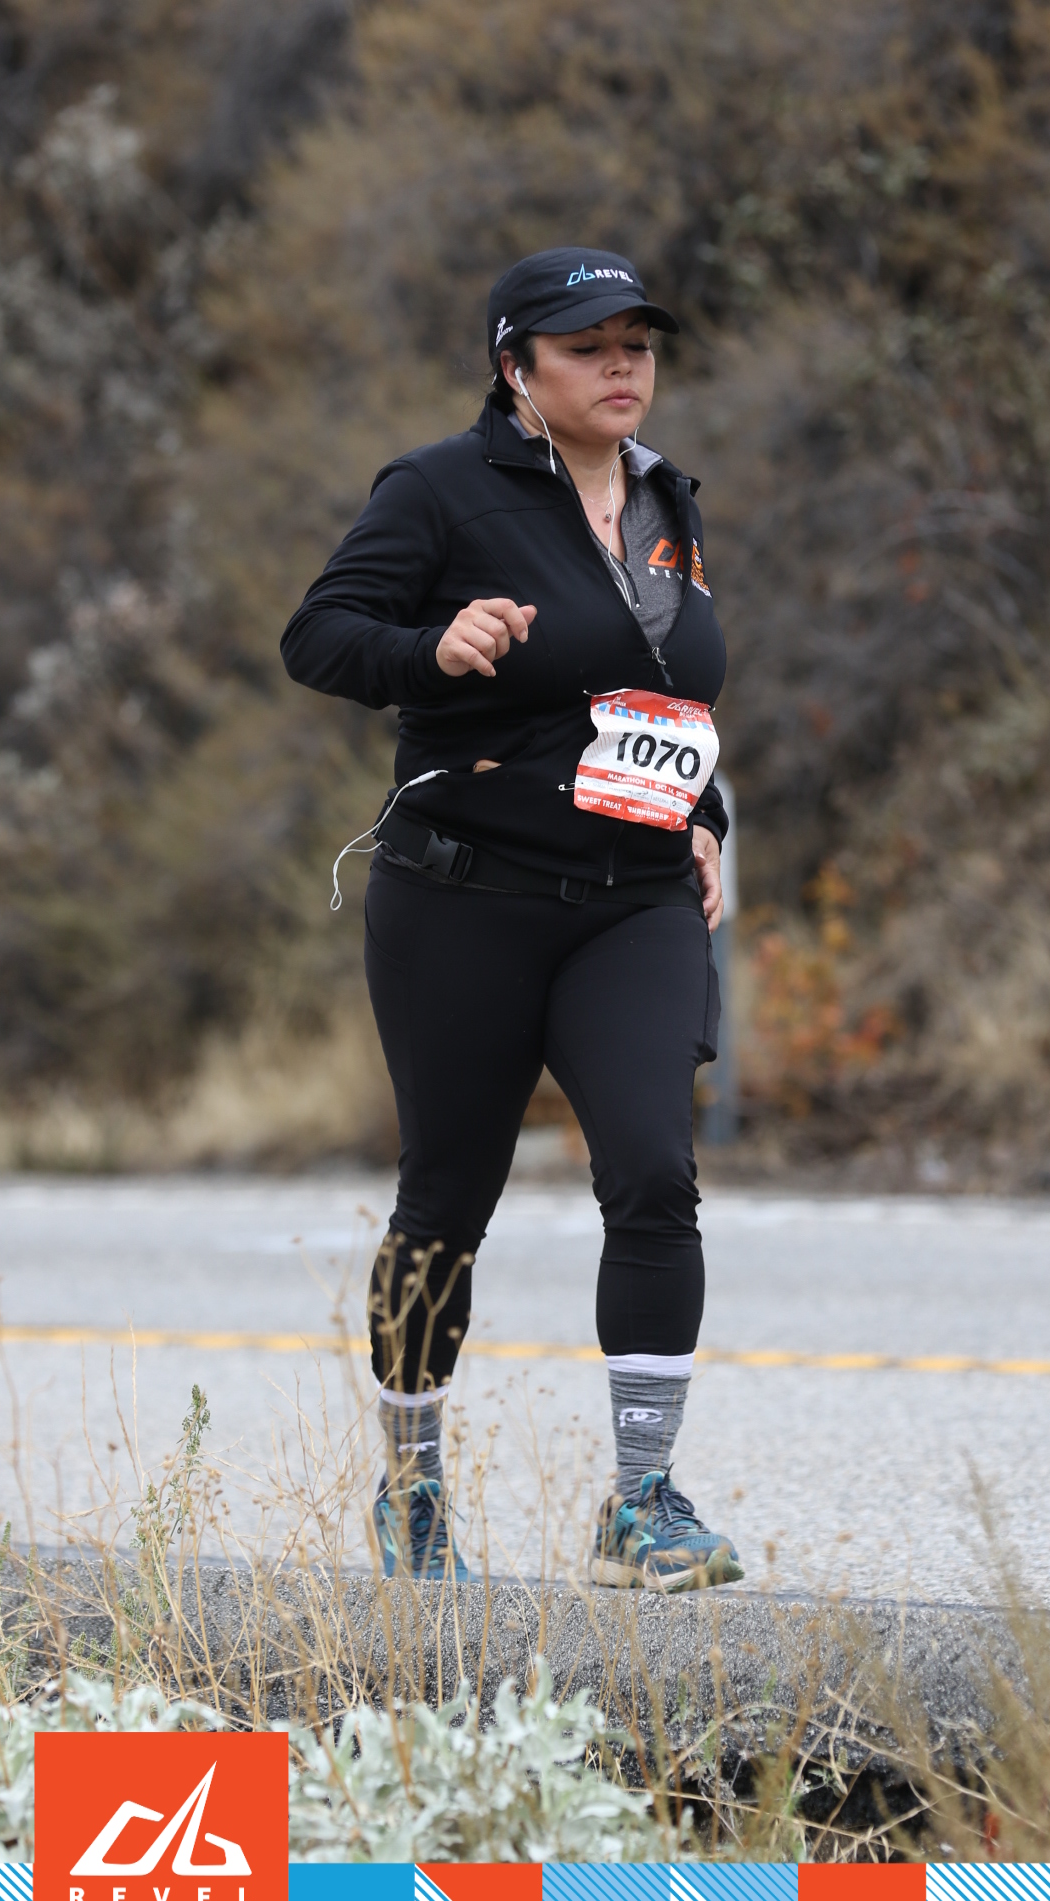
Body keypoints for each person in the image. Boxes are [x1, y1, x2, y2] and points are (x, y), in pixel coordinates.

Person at [281, 245, 741, 1592]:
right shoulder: (439, 490)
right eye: (587, 345)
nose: (622, 365)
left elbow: (666, 697)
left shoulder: (667, 501)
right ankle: (413, 1492)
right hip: (463, 900)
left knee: (652, 1173)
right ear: (515, 367)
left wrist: (704, 814)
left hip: (634, 902)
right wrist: (429, 650)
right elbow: (320, 636)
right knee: (447, 1200)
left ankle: (641, 1504)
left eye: (637, 343)